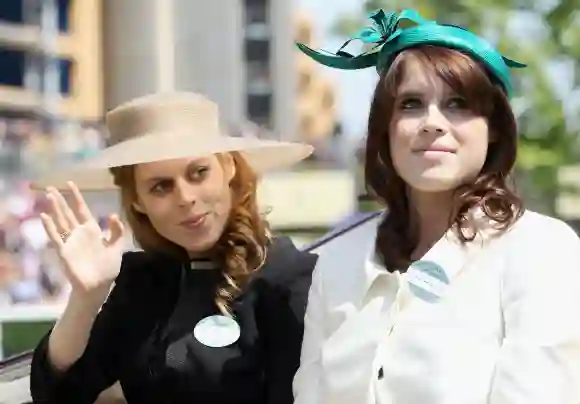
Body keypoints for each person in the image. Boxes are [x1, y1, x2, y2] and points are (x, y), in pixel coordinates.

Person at [293, 8, 580, 404]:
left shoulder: (540, 250)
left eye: (458, 104)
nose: (433, 122)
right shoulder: (337, 260)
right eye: (410, 104)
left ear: (493, 128)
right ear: (385, 128)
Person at [28, 91, 318, 404]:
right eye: (161, 186)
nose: (185, 197)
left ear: (229, 168)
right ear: (138, 201)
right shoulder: (142, 282)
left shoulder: (289, 277)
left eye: (199, 173)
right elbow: (58, 394)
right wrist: (85, 299)